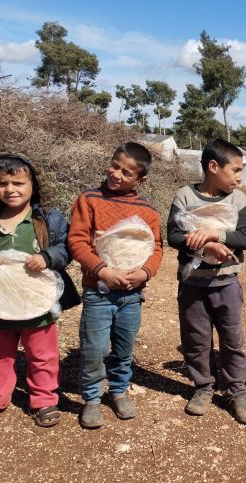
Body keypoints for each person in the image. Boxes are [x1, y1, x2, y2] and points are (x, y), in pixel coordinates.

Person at [0, 153, 80, 427]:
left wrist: (48, 257)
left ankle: (44, 398)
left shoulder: (48, 218)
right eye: (3, 183)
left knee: (42, 353)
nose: (10, 189)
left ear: (33, 185)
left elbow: (66, 247)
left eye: (18, 183)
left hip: (37, 301)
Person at [68, 142, 163, 429]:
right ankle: (93, 398)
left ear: (141, 180)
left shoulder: (147, 211)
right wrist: (101, 270)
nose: (116, 174)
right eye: (114, 165)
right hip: (98, 292)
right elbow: (77, 241)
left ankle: (119, 390)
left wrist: (145, 273)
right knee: (94, 348)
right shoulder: (89, 200)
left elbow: (156, 247)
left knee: (124, 347)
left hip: (132, 295)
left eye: (126, 172)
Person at [167, 138, 246, 424]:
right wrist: (204, 248)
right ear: (213, 167)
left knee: (232, 339)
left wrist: (213, 234)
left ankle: (236, 391)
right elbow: (174, 236)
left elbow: (243, 238)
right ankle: (204, 387)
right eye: (236, 170)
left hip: (226, 283)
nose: (240, 177)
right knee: (196, 339)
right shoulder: (184, 196)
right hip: (193, 284)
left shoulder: (238, 200)